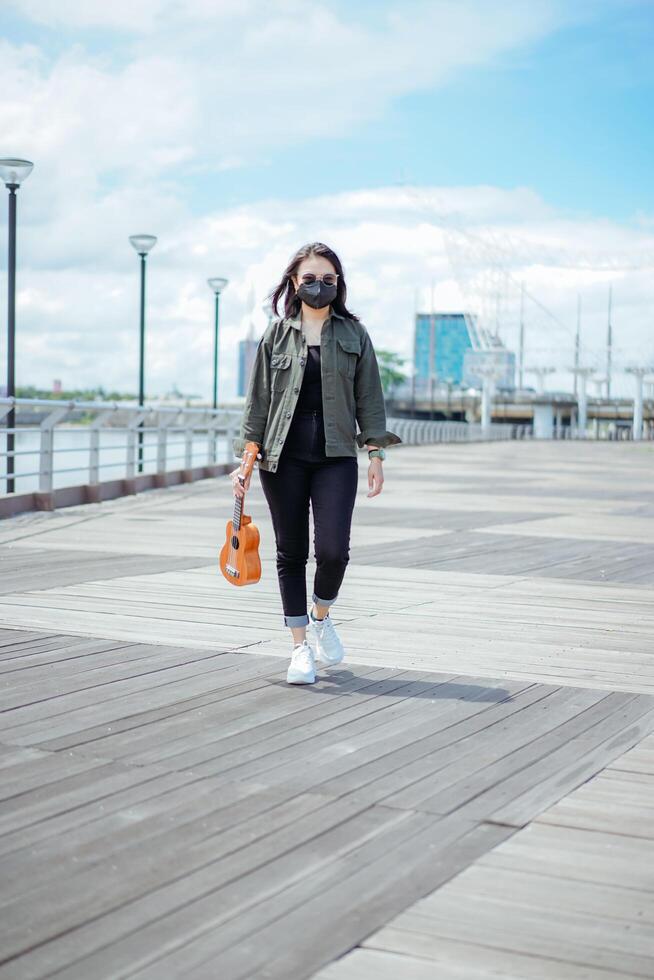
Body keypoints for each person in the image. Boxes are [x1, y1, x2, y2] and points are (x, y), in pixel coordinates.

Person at [231, 242, 401, 684]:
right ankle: (299, 648)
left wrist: (376, 454)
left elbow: (370, 398)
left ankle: (322, 616)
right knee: (290, 553)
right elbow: (258, 402)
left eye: (328, 279)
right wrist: (246, 459)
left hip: (336, 454)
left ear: (338, 284)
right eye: (309, 278)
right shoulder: (276, 334)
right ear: (294, 282)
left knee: (332, 551)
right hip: (280, 455)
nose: (319, 286)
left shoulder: (353, 334)